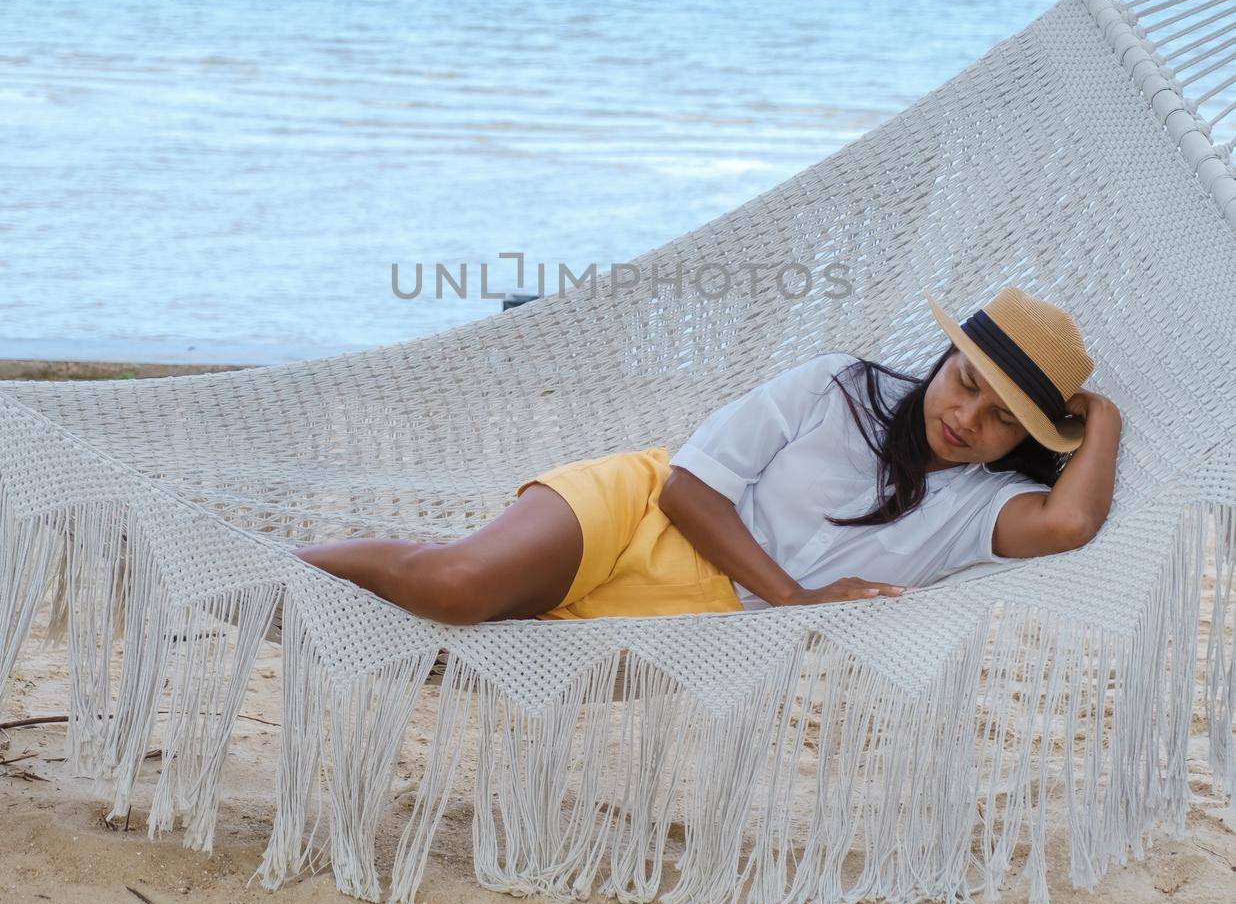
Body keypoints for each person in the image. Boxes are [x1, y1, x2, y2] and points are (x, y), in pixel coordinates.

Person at [292, 285, 1122, 624]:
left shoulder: (976, 509)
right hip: (636, 512)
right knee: (454, 585)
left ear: (1024, 440)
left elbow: (1071, 521)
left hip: (701, 617)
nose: (967, 417)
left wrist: (1102, 414)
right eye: (965, 381)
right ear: (941, 361)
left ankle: (261, 585)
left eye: (1004, 418)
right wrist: (794, 598)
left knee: (452, 650)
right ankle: (258, 565)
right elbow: (689, 490)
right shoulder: (841, 386)